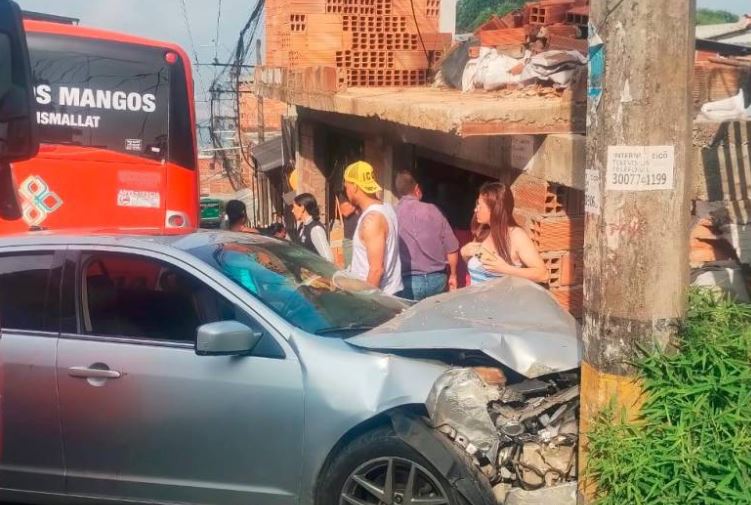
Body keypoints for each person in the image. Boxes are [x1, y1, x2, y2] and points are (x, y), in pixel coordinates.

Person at [460, 182, 548, 284]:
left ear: (495, 210)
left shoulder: (517, 236)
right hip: (475, 298)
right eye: (477, 205)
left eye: (480, 206)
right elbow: (477, 269)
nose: (475, 210)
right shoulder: (483, 232)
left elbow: (543, 275)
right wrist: (464, 255)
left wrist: (505, 269)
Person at [394, 170, 460, 300]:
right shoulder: (434, 211)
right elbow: (452, 248)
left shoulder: (393, 214)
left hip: (408, 281)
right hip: (437, 280)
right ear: (417, 188)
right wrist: (453, 275)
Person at [343, 160, 403, 295]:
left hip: (378, 300)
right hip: (387, 294)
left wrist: (366, 304)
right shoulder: (387, 208)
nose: (346, 191)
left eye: (346, 186)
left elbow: (376, 270)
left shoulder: (372, 220)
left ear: (355, 187)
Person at [291, 193, 333, 261]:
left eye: (294, 207)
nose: (292, 211)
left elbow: (328, 259)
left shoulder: (315, 229)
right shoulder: (302, 226)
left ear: (302, 208)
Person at [333, 191, 360, 267]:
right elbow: (345, 211)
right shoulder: (346, 191)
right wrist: (361, 202)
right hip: (351, 239)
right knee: (351, 272)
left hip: (365, 240)